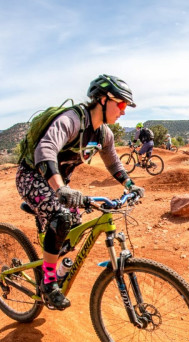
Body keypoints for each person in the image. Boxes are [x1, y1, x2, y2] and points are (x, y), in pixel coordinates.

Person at [15, 74, 146, 311]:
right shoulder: (72, 120)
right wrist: (61, 189)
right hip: (33, 176)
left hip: (60, 183)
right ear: (104, 100)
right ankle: (48, 280)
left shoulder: (104, 134)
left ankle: (54, 262)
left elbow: (114, 163)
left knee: (75, 223)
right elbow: (45, 151)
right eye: (122, 104)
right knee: (61, 218)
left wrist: (130, 186)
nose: (124, 112)